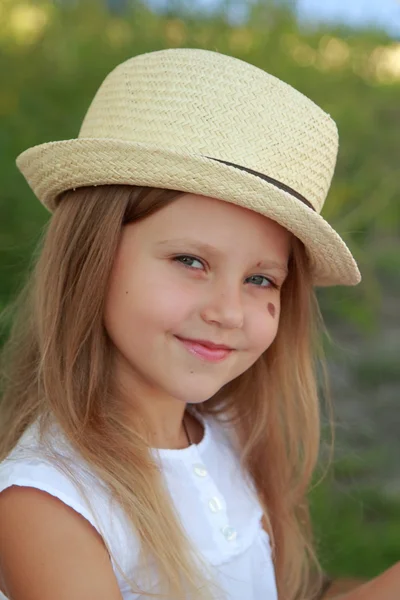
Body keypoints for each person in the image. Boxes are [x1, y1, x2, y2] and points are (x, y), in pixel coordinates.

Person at [0, 48, 397, 600]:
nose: (228, 312)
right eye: (191, 262)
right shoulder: (48, 503)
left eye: (261, 279)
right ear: (89, 258)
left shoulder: (229, 433)